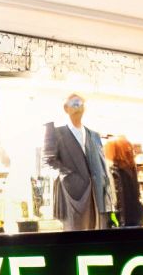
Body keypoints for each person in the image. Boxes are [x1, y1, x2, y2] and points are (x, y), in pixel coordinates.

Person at [43, 92, 110, 231]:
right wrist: (69, 176)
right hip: (71, 195)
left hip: (95, 196)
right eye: (74, 103)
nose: (78, 107)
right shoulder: (55, 132)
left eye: (80, 104)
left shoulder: (94, 135)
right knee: (74, 235)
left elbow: (101, 164)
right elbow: (48, 161)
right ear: (66, 108)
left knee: (95, 235)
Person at [104, 136, 143, 229]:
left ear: (115, 151)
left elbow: (115, 200)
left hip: (123, 220)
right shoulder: (131, 169)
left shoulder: (114, 171)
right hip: (135, 218)